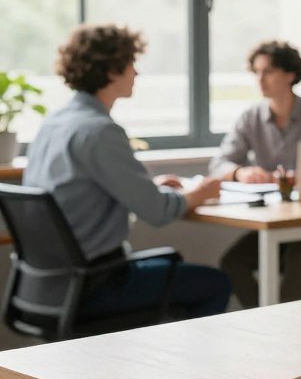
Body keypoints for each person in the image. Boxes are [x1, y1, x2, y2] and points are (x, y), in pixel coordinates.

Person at [23, 24, 230, 320]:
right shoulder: (99, 132)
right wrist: (200, 193)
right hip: (95, 286)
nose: (137, 73)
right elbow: (158, 212)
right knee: (214, 284)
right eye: (132, 64)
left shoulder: (55, 123)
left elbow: (83, 191)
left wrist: (148, 186)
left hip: (44, 286)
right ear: (111, 71)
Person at [209, 40, 301, 307]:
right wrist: (240, 172)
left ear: (290, 74)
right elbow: (219, 163)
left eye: (267, 71)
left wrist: (298, 178)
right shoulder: (250, 117)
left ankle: (285, 327)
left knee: (298, 255)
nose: (260, 79)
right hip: (273, 221)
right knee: (231, 263)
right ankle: (264, 318)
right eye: (256, 72)